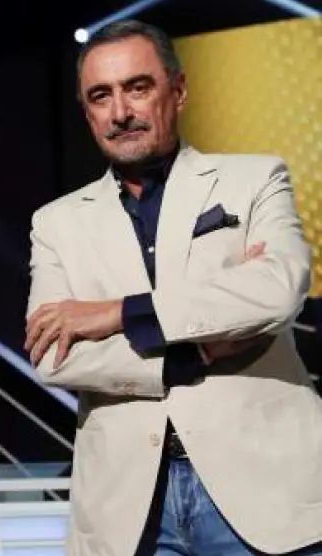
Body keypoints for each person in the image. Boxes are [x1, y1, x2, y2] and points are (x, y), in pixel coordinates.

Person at [23, 20, 322, 556]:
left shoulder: (254, 179)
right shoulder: (55, 223)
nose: (120, 112)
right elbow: (52, 356)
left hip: (266, 491)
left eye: (137, 87)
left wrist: (118, 313)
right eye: (101, 96)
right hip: (129, 509)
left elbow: (276, 292)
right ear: (87, 112)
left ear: (178, 91)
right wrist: (194, 353)